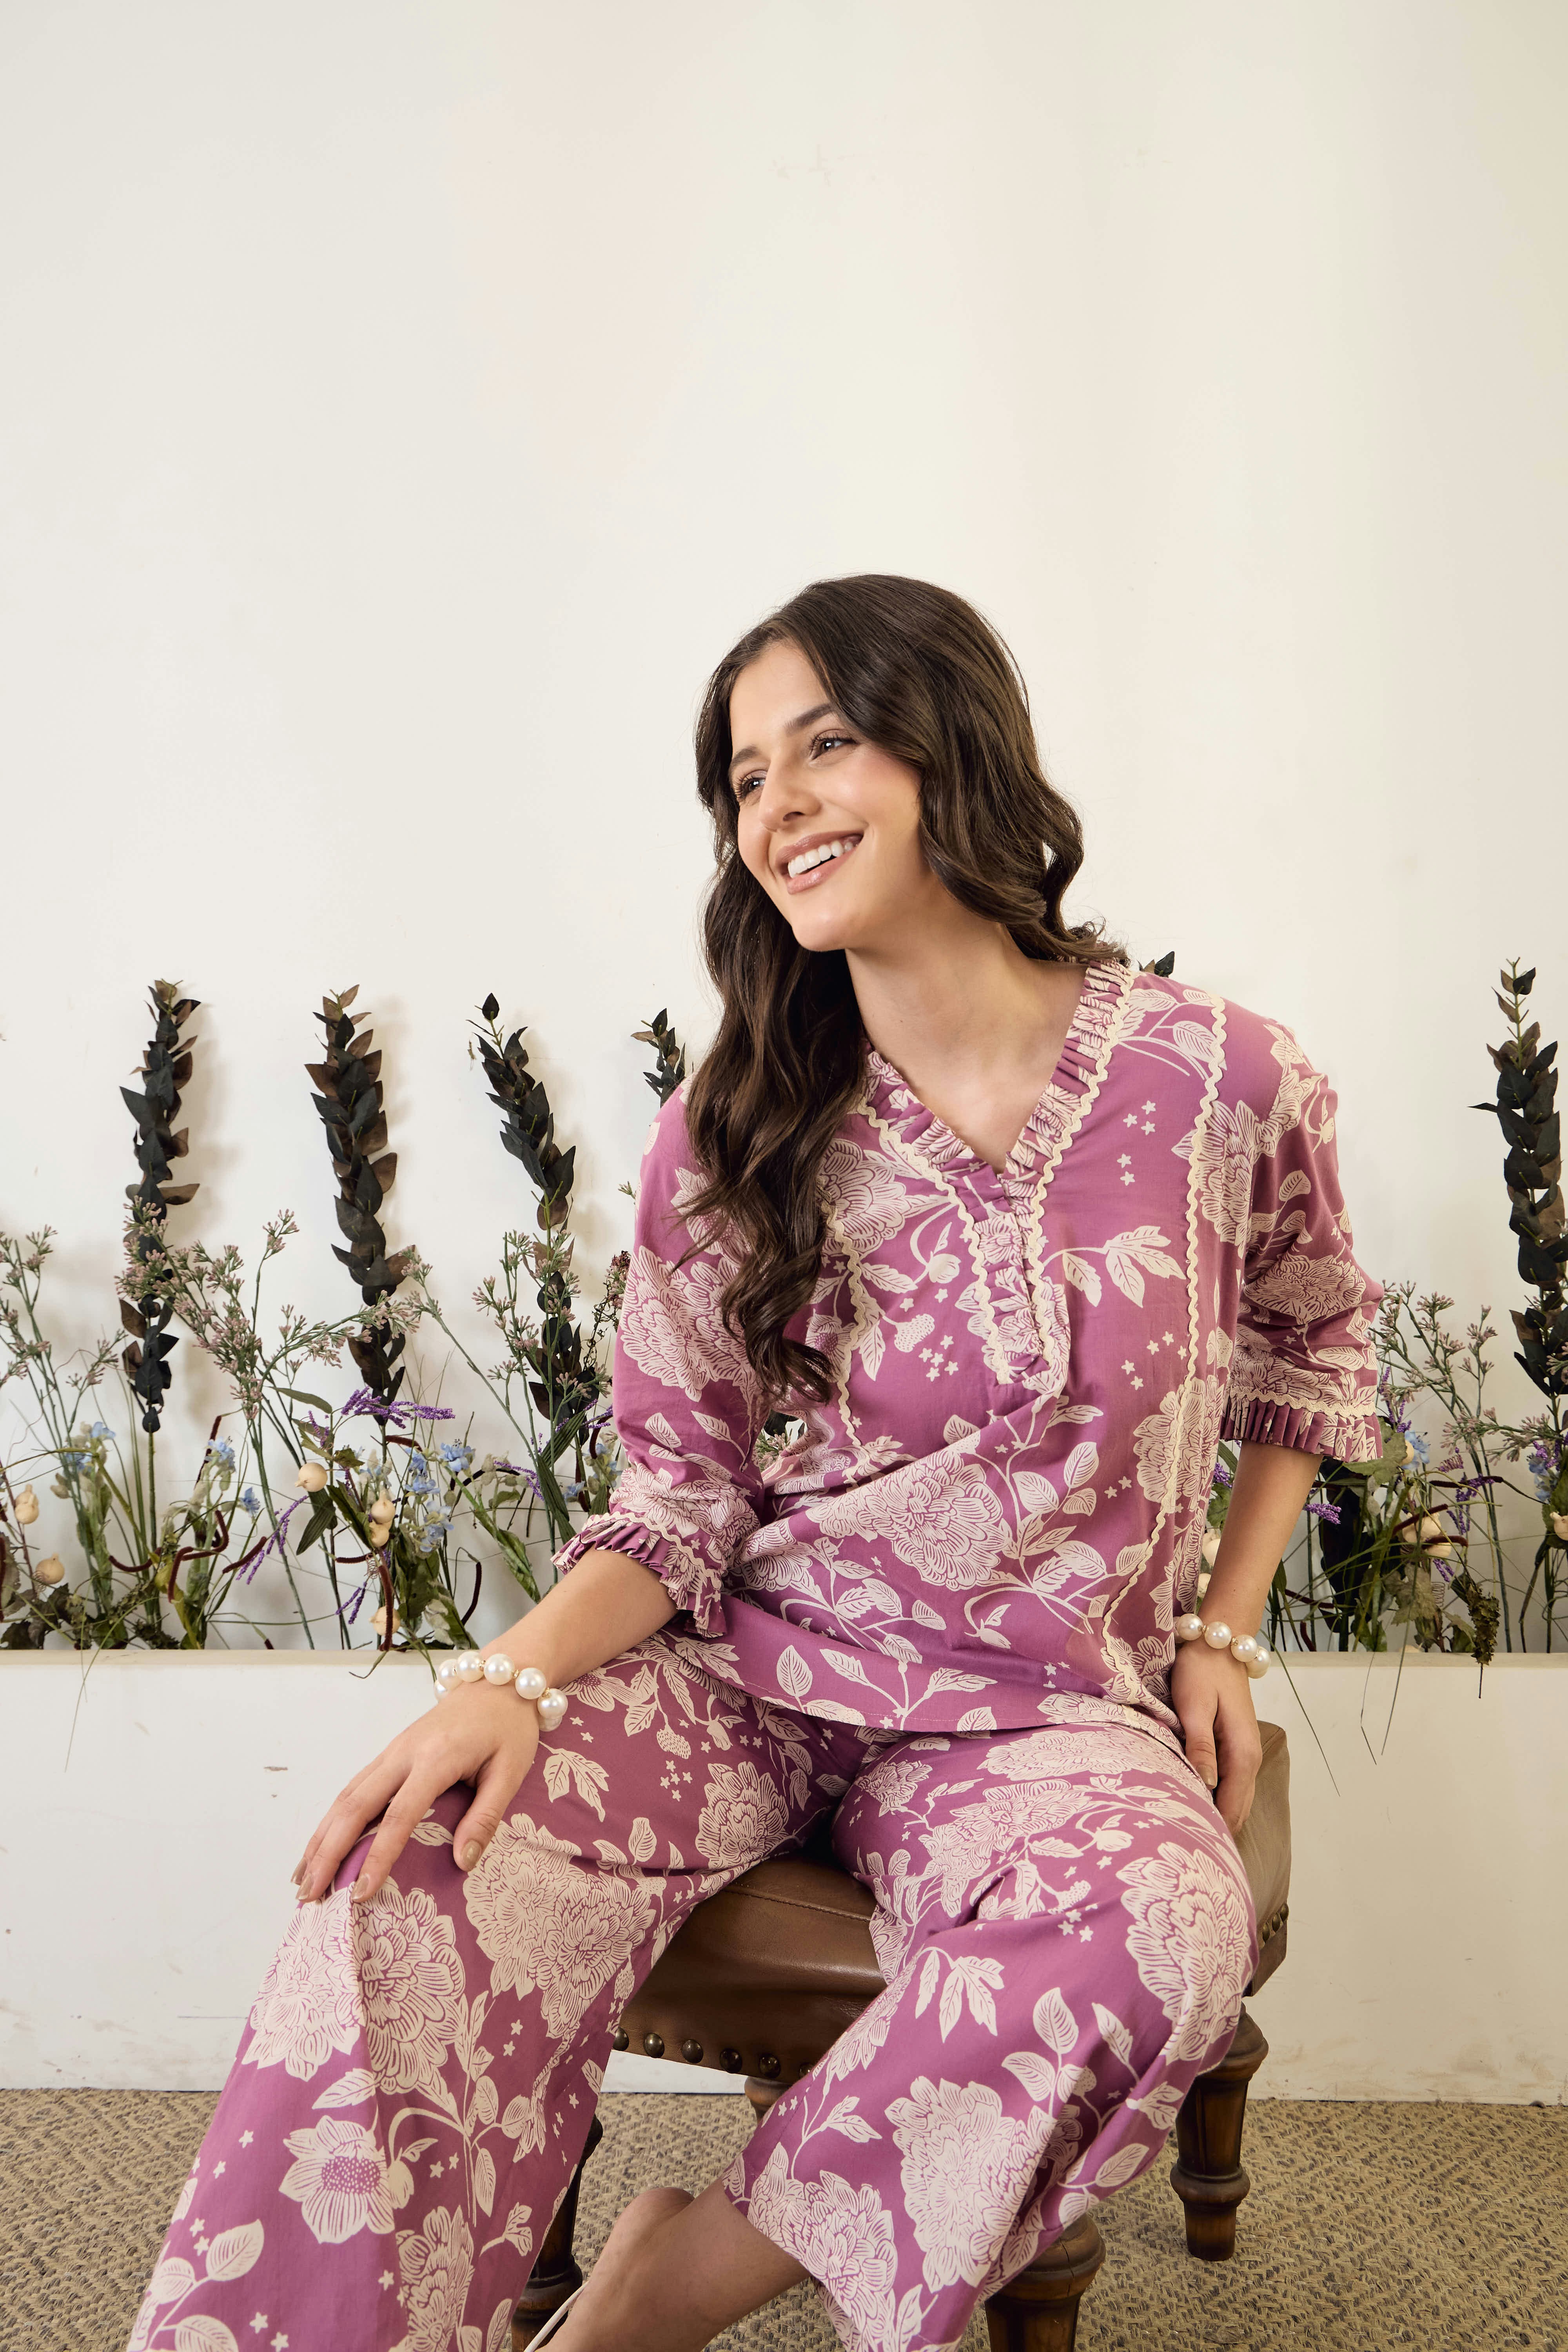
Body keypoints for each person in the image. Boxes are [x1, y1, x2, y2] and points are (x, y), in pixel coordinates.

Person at [127, 576, 1381, 2352]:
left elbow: (1312, 1343)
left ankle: (662, 2290)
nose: (776, 806)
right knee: (409, 1869)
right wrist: (501, 1682)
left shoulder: (1220, 1078)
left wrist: (1223, 1630)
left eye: (827, 745)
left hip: (1033, 1715)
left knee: (1154, 1922)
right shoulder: (738, 1121)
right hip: (749, 1674)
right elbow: (681, 1494)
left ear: (956, 749)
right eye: (740, 778)